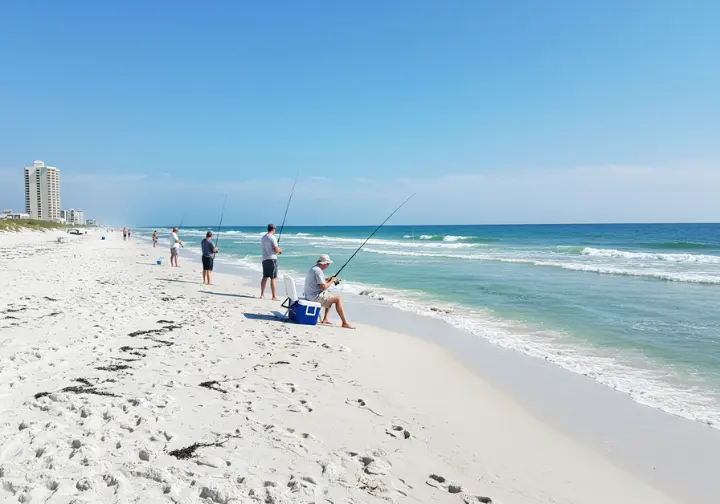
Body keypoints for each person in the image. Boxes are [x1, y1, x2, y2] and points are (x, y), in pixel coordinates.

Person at [303, 254, 354, 329]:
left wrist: (328, 279)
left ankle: (325, 319)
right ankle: (344, 322)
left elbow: (320, 282)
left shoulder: (314, 268)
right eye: (328, 264)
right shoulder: (318, 271)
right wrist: (332, 281)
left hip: (309, 294)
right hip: (314, 297)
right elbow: (323, 287)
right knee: (338, 299)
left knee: (329, 294)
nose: (328, 266)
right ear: (324, 264)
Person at [260, 224, 282, 300]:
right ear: (273, 229)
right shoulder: (272, 237)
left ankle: (262, 295)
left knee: (264, 277)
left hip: (264, 259)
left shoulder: (263, 238)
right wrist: (280, 251)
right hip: (272, 259)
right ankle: (274, 296)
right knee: (273, 278)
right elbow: (276, 249)